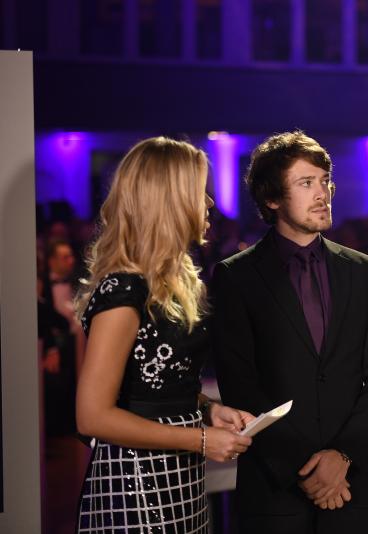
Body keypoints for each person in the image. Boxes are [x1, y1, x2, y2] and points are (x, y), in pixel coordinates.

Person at [211, 130, 368, 534]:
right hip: (275, 491)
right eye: (306, 183)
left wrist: (342, 456)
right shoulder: (236, 276)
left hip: (353, 485)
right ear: (272, 198)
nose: (322, 193)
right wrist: (306, 469)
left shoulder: (361, 270)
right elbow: (240, 385)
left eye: (325, 181)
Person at [74, 137, 254, 532]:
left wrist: (209, 410)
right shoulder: (124, 290)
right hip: (134, 483)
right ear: (170, 200)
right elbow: (91, 417)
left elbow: (158, 384)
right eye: (200, 191)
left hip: (180, 478)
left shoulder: (171, 282)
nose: (210, 202)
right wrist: (200, 440)